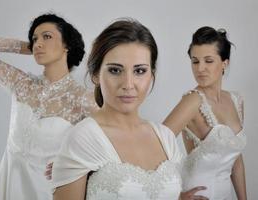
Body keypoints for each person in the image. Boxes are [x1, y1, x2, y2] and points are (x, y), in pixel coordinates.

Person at [0, 13, 97, 200]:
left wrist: (81, 166)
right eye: (34, 39)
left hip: (48, 192)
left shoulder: (83, 98)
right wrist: (27, 47)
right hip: (6, 187)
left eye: (47, 37)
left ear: (67, 45)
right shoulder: (21, 84)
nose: (38, 43)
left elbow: (112, 142)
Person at [51, 18, 183, 200]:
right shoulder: (83, 138)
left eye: (139, 71)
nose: (128, 84)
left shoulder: (166, 138)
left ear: (151, 75)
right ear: (96, 74)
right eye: (115, 70)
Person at [163, 26, 247, 199]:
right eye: (195, 61)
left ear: (225, 62)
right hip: (200, 194)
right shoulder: (193, 101)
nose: (200, 68)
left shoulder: (236, 100)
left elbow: (235, 158)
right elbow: (156, 144)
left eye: (208, 61)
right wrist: (176, 196)